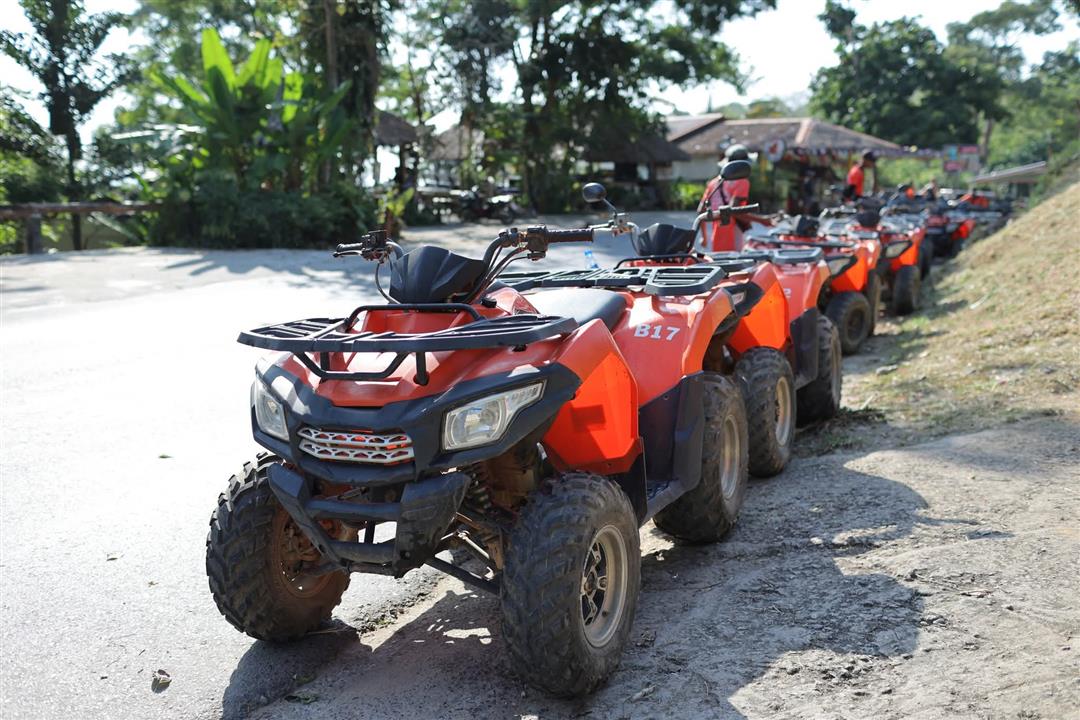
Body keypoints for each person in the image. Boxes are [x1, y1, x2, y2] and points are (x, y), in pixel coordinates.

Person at [698, 144, 751, 252]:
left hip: (716, 237)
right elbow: (734, 211)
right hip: (733, 236)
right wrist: (763, 220)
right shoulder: (743, 182)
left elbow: (701, 210)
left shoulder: (713, 183)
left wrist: (704, 237)